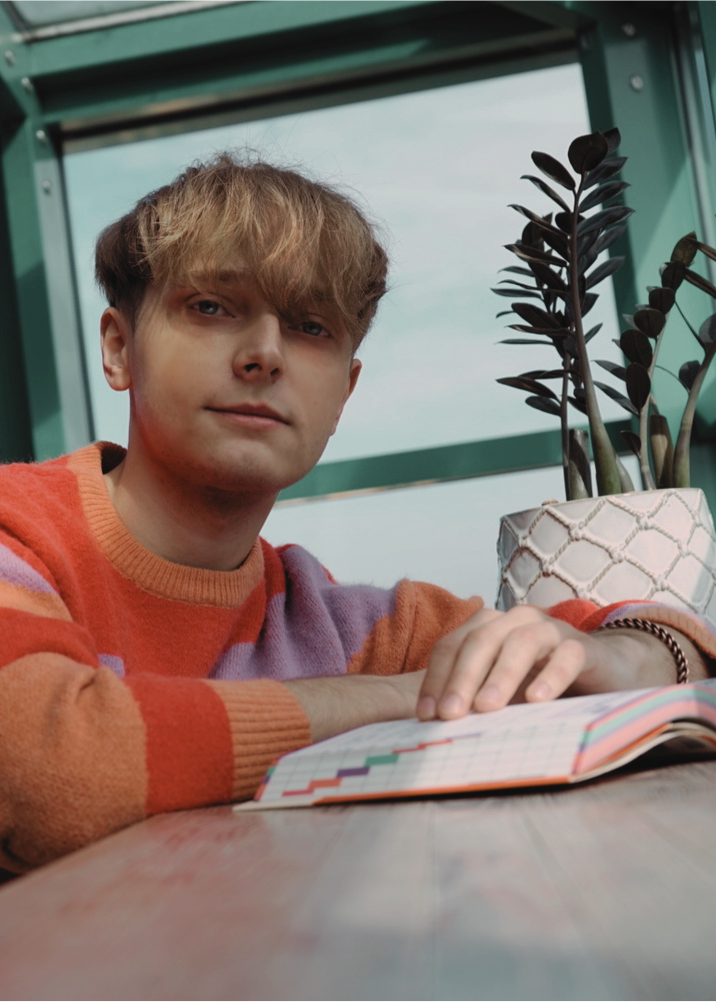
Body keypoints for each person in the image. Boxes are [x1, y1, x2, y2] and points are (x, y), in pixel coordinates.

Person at [0, 153, 714, 874]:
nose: (264, 355)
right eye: (211, 306)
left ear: (344, 392)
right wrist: (402, 696)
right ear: (120, 349)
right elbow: (50, 770)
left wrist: (631, 653)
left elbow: (655, 641)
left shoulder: (353, 627)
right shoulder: (17, 532)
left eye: (311, 326)